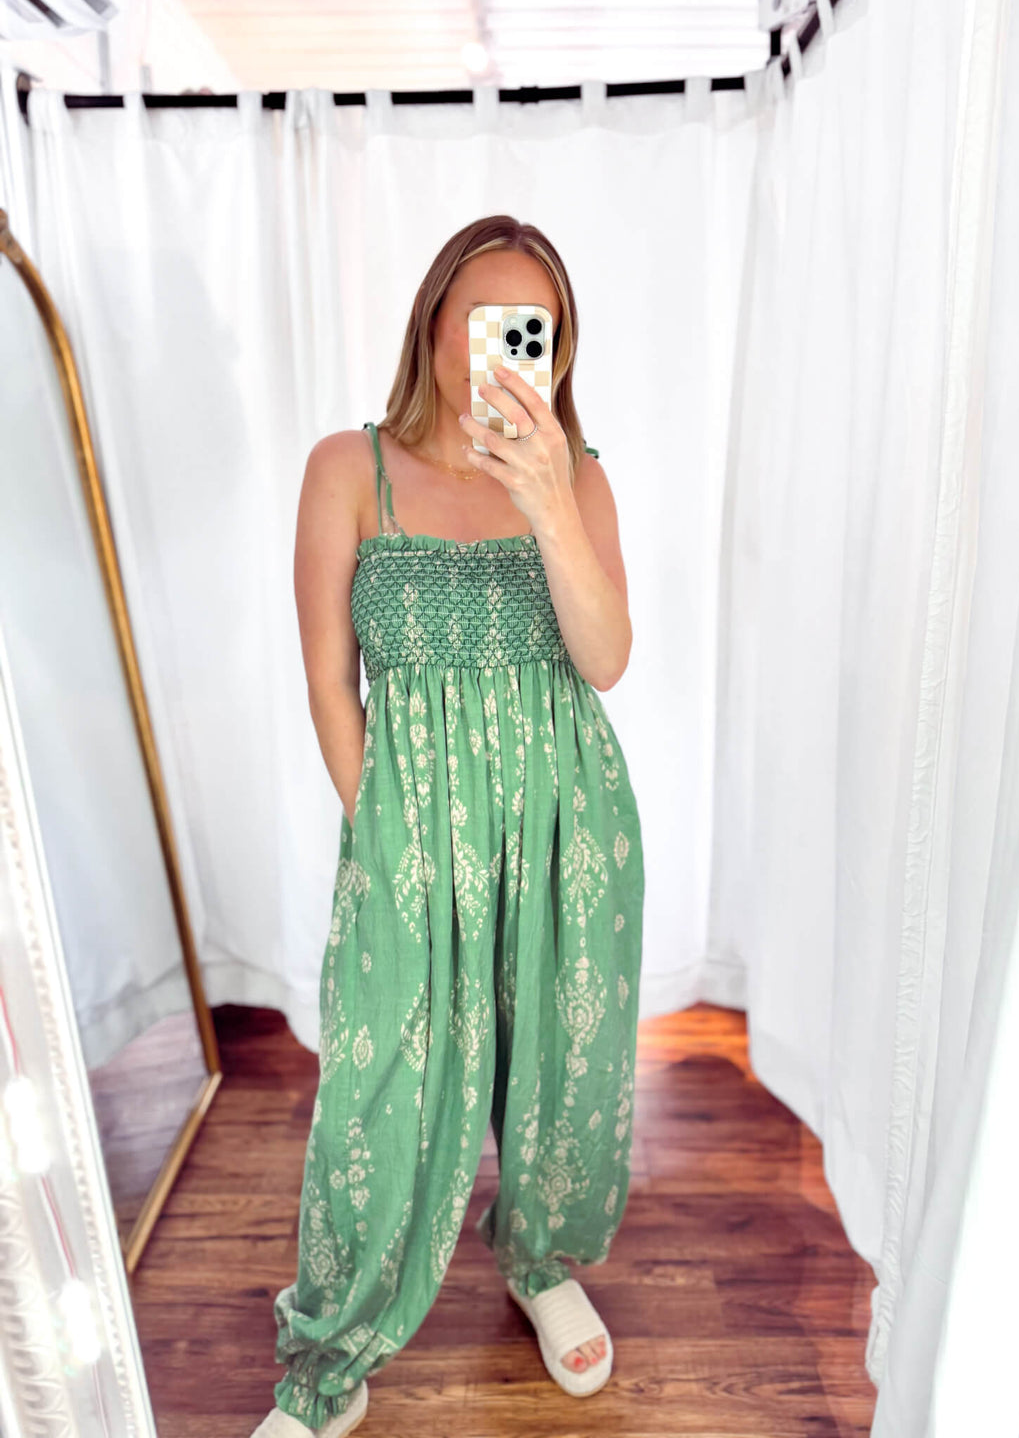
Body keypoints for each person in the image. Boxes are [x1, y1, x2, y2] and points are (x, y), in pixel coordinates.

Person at [251, 214, 645, 1437]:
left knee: (561, 1066)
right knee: (381, 1088)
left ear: (558, 350)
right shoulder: (347, 469)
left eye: (534, 330)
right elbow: (331, 681)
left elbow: (607, 659)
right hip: (412, 832)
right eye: (482, 321)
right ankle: (334, 1342)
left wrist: (548, 499)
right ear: (433, 328)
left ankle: (538, 1254)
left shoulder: (578, 478)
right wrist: (384, 830)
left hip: (567, 822)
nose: (506, 349)